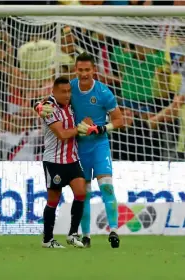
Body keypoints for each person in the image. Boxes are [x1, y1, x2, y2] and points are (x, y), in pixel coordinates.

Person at [35, 53, 124, 248]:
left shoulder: (103, 92)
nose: (84, 74)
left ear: (94, 70)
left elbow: (119, 119)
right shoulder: (70, 88)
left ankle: (114, 231)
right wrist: (39, 106)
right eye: (80, 70)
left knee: (107, 187)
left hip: (99, 145)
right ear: (76, 70)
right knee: (85, 192)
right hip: (79, 148)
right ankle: (86, 235)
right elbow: (48, 101)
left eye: (87, 70)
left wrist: (103, 127)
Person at [38, 76, 86, 249]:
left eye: (68, 91)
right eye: (63, 92)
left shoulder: (71, 105)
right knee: (53, 200)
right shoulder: (48, 108)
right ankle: (47, 239)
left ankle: (73, 234)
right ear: (54, 91)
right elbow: (63, 134)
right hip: (54, 161)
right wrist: (81, 129)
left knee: (81, 192)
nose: (67, 95)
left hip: (72, 159)